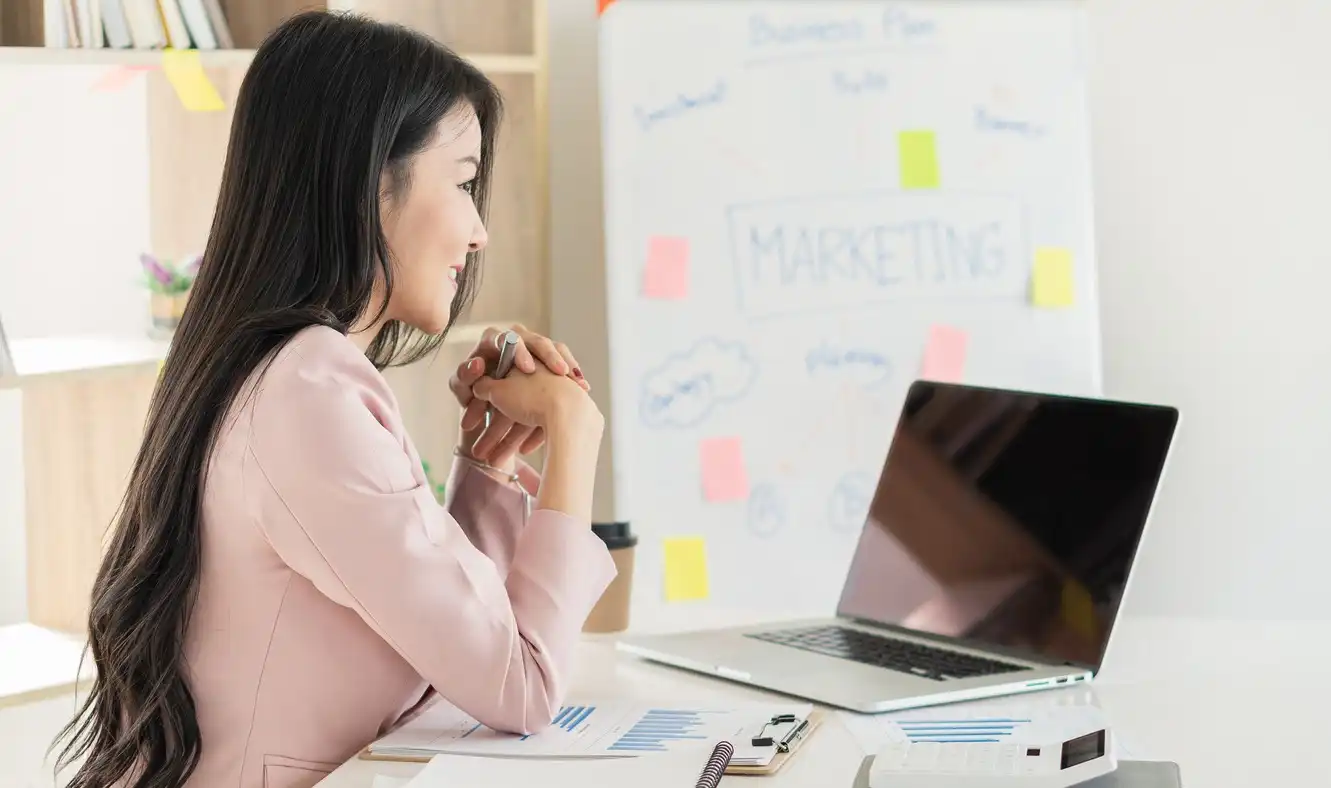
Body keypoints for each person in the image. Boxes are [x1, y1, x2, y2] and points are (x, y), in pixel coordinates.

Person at [52, 11, 614, 788]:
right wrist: (574, 435)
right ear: (368, 184)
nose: (479, 231)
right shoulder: (310, 394)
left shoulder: (283, 370)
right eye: (461, 181)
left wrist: (486, 470)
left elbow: (453, 644)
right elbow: (522, 685)